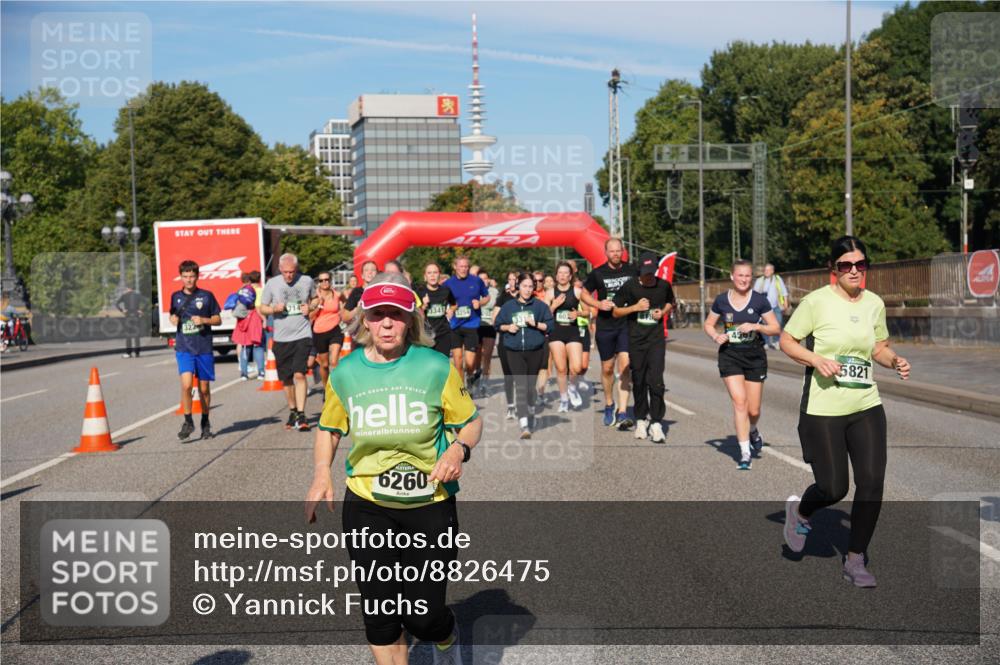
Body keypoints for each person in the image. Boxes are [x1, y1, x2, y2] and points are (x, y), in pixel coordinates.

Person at [305, 272, 482, 665]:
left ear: (411, 319)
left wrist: (456, 450)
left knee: (424, 615)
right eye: (378, 314)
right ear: (365, 320)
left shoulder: (435, 366)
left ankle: (445, 630)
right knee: (381, 614)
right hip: (367, 502)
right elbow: (330, 429)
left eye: (396, 315)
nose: (387, 323)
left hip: (429, 503)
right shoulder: (346, 373)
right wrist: (321, 472)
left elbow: (471, 421)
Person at [779, 236, 911, 588]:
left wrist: (893, 360)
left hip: (865, 404)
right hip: (824, 408)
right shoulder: (816, 302)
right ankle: (801, 512)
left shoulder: (874, 304)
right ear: (832, 269)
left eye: (860, 264)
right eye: (846, 265)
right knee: (833, 487)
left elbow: (878, 348)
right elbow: (787, 340)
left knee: (871, 482)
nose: (854, 271)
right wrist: (815, 359)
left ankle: (855, 558)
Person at [703, 259, 781, 468]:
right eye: (740, 275)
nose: (744, 279)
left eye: (748, 276)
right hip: (730, 355)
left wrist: (756, 326)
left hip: (754, 356)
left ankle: (753, 429)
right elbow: (709, 324)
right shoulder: (722, 300)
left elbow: (775, 328)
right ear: (732, 276)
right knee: (740, 402)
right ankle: (744, 453)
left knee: (753, 411)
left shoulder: (759, 300)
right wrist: (715, 336)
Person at [612, 252, 676, 444]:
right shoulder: (630, 286)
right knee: (639, 380)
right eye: (646, 273)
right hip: (636, 340)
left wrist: (662, 312)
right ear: (639, 270)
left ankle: (656, 422)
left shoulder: (663, 285)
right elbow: (615, 311)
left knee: (656, 380)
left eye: (652, 272)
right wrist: (634, 308)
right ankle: (641, 420)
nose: (649, 276)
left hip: (656, 340)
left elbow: (669, 303)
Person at [579, 238, 638, 430]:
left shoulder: (632, 270)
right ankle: (609, 404)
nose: (615, 254)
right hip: (606, 326)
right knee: (607, 368)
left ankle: (622, 412)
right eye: (611, 251)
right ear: (606, 252)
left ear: (623, 251)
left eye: (618, 251)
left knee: (625, 366)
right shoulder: (598, 273)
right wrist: (598, 304)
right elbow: (584, 294)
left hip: (626, 324)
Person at [260, 253, 316, 432]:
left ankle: (301, 413)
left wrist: (311, 306)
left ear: (296, 269)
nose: (289, 276)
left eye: (292, 272)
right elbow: (262, 307)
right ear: (280, 269)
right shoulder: (272, 283)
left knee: (300, 374)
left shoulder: (307, 281)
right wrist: (273, 308)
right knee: (287, 378)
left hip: (302, 334)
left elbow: (315, 298)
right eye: (285, 272)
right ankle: (292, 410)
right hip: (281, 338)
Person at [494, 272, 553, 438]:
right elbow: (497, 324)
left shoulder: (540, 306)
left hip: (535, 350)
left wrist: (536, 324)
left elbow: (550, 326)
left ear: (534, 287)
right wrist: (507, 328)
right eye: (524, 286)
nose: (527, 290)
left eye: (530, 286)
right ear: (518, 287)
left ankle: (531, 409)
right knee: (520, 385)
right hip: (514, 351)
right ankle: (524, 425)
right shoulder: (508, 307)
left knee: (530, 386)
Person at [168, 260, 221, 441]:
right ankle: (188, 421)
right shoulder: (176, 296)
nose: (189, 280)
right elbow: (173, 314)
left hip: (203, 347)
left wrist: (204, 321)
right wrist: (173, 320)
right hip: (184, 347)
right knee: (187, 385)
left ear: (197, 276)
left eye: (192, 276)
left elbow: (217, 319)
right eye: (185, 276)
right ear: (181, 277)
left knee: (204, 389)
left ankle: (205, 422)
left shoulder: (207, 296)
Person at [443, 255, 489, 390]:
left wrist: (480, 302)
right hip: (455, 325)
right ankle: (461, 390)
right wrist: (449, 310)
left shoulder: (476, 281)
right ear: (455, 267)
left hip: (472, 324)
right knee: (457, 360)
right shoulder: (448, 283)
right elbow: (441, 300)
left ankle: (470, 376)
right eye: (461, 266)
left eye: (466, 266)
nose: (463, 269)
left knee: (469, 363)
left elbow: (487, 296)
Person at [546, 262, 585, 413]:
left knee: (576, 367)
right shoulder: (550, 293)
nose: (562, 275)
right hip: (556, 332)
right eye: (560, 273)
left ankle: (573, 388)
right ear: (556, 276)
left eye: (565, 273)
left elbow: (590, 311)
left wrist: (579, 313)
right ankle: (563, 399)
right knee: (561, 368)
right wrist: (554, 306)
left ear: (570, 276)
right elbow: (542, 314)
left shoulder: (577, 291)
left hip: (572, 331)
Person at [308, 271, 344, 388]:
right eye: (321, 280)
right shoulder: (315, 298)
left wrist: (345, 315)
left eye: (327, 279)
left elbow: (345, 302)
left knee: (334, 362)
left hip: (335, 330)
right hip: (319, 332)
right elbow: (310, 316)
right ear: (318, 283)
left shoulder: (337, 294)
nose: (324, 282)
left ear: (330, 280)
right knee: (324, 365)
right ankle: (326, 388)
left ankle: (337, 388)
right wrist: (319, 304)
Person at [416, 263, 457, 358]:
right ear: (425, 276)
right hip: (426, 333)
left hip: (443, 333)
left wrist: (451, 310)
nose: (432, 275)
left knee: (442, 362)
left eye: (435, 272)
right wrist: (424, 306)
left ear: (439, 275)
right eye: (429, 273)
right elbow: (415, 313)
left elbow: (454, 304)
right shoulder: (419, 291)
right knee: (428, 362)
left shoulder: (446, 291)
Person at [232, 272, 265, 380]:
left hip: (243, 319)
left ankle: (244, 373)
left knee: (245, 346)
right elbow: (258, 307)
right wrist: (264, 319)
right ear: (259, 279)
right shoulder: (260, 290)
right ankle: (261, 372)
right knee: (257, 346)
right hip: (254, 318)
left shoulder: (243, 289)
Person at [496, 272, 519, 419]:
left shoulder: (528, 297)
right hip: (506, 340)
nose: (512, 282)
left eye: (515, 279)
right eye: (509, 279)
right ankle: (511, 405)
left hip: (525, 342)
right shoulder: (502, 297)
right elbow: (495, 320)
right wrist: (507, 326)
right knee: (509, 375)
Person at [754, 263, 790, 350]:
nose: (766, 272)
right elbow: (754, 294)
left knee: (778, 324)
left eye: (768, 270)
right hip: (763, 308)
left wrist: (785, 303)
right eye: (765, 270)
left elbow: (784, 292)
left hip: (776, 306)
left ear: (772, 271)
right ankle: (765, 342)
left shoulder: (777, 279)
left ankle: (776, 341)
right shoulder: (760, 280)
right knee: (764, 325)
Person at [475, 269, 499, 398]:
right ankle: (476, 381)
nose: (484, 280)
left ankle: (485, 384)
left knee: (487, 356)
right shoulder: (473, 290)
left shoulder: (494, 292)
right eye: (481, 278)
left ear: (489, 279)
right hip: (476, 326)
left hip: (490, 325)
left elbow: (497, 307)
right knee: (477, 357)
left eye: (486, 278)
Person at [115, 286, 144, 358]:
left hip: (128, 316)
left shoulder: (124, 296)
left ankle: (129, 353)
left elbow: (117, 304)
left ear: (128, 289)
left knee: (128, 335)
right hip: (136, 316)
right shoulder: (137, 295)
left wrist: (122, 310)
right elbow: (146, 301)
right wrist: (141, 310)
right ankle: (137, 353)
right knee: (137, 335)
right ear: (133, 289)